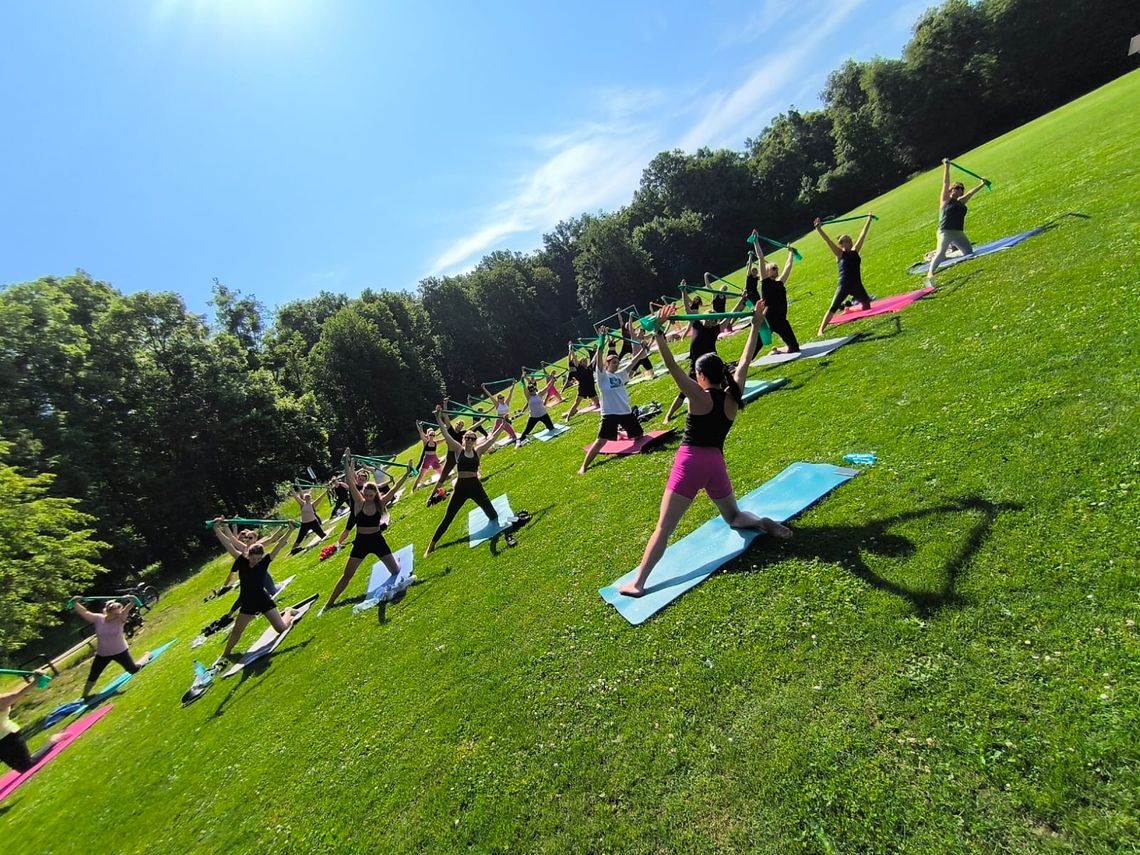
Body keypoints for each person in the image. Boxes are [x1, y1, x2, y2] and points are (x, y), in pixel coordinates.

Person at [619, 303, 793, 597]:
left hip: (690, 463)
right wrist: (755, 324)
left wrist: (659, 333)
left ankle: (638, 584)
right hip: (715, 463)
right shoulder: (732, 395)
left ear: (700, 376)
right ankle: (761, 523)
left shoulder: (699, 397)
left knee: (664, 527)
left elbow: (673, 368)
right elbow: (745, 360)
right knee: (734, 517)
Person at [321, 450, 412, 613]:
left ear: (375, 494)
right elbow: (349, 479)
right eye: (366, 494)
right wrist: (347, 462)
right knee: (347, 575)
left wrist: (406, 473)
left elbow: (394, 489)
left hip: (377, 540)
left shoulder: (380, 503)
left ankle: (395, 561)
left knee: (396, 571)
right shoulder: (358, 502)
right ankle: (329, 603)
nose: (369, 497)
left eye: (371, 495)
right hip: (361, 542)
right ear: (362, 493)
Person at [423, 406, 504, 557]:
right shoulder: (458, 449)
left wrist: (503, 424)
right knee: (448, 517)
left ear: (474, 441)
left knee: (493, 516)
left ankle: (433, 544)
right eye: (467, 437)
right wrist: (437, 418)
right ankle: (431, 545)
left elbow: (492, 438)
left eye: (472, 438)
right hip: (460, 488)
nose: (469, 440)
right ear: (464, 438)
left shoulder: (478, 451)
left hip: (475, 486)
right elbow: (446, 434)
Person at [211, 522, 300, 658]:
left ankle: (288, 611)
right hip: (247, 602)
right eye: (253, 558)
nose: (256, 561)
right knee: (237, 631)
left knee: (281, 629)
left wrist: (290, 530)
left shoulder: (263, 563)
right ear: (249, 556)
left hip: (263, 600)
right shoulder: (242, 561)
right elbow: (228, 544)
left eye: (258, 558)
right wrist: (217, 528)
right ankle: (226, 654)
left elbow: (279, 546)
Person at [578, 331, 648, 475]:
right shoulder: (602, 377)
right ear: (607, 364)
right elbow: (598, 356)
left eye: (617, 362)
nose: (616, 365)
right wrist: (601, 340)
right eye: (614, 362)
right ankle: (584, 466)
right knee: (601, 441)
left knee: (639, 436)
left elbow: (634, 361)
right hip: (610, 414)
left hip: (625, 411)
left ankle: (620, 433)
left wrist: (643, 348)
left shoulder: (621, 375)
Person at [70, 597, 153, 699]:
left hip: (120, 651)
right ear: (108, 612)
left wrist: (132, 600)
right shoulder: (98, 619)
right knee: (93, 675)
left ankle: (147, 656)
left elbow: (128, 607)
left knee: (133, 669)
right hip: (102, 654)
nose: (118, 615)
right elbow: (84, 612)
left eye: (119, 613)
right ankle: (84, 696)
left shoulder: (120, 619)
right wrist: (75, 602)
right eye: (115, 614)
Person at [664, 286, 722, 422]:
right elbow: (687, 309)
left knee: (720, 383)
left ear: (715, 322)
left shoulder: (715, 330)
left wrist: (742, 300)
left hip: (711, 362)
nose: (709, 321)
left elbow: (730, 316)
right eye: (707, 318)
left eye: (712, 320)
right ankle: (668, 415)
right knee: (683, 392)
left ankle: (727, 401)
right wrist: (683, 291)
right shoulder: (697, 324)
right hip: (696, 365)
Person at [926, 159, 989, 282]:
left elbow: (971, 193)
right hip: (945, 231)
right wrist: (947, 167)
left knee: (968, 252)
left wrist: (982, 184)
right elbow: (945, 183)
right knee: (940, 251)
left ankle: (946, 255)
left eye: (961, 188)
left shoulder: (961, 202)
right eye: (956, 188)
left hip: (958, 233)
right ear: (950, 190)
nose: (959, 190)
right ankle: (930, 273)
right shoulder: (945, 200)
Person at [737, 231, 799, 354]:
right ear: (766, 271)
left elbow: (788, 266)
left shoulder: (780, 282)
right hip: (768, 319)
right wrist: (756, 241)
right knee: (755, 347)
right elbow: (761, 258)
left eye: (776, 268)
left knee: (794, 348)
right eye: (773, 268)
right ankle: (739, 365)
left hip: (781, 320)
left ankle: (778, 350)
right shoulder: (765, 282)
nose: (776, 269)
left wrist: (790, 253)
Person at [814, 214, 875, 335]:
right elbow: (827, 241)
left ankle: (852, 309)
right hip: (844, 285)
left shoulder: (855, 250)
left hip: (857, 284)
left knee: (867, 304)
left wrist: (869, 219)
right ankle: (821, 329)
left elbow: (863, 235)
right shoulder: (839, 254)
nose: (848, 242)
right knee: (833, 307)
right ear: (841, 244)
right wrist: (819, 229)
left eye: (849, 240)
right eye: (845, 241)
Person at [1, 670, 65, 772]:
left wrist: (35, 682)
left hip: (8, 737)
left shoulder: (1, 700)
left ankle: (52, 741)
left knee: (27, 766)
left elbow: (18, 694)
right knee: (23, 768)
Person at [288, 487, 328, 554]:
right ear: (304, 498)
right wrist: (292, 490)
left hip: (313, 523)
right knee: (299, 538)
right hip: (304, 524)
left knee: (322, 535)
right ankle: (293, 549)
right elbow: (296, 498)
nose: (307, 499)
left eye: (308, 498)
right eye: (306, 498)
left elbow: (320, 498)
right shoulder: (302, 504)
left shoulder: (313, 504)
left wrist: (326, 491)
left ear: (310, 498)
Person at [517, 373, 556, 441]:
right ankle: (519, 441)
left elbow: (547, 387)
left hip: (544, 415)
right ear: (529, 392)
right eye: (531, 391)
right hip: (533, 417)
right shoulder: (528, 396)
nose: (533, 391)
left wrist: (552, 379)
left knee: (551, 428)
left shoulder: (539, 394)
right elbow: (523, 386)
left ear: (535, 389)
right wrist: (522, 378)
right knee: (526, 431)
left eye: (533, 389)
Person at [564, 346, 600, 419]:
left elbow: (595, 358)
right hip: (583, 389)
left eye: (586, 360)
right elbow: (574, 358)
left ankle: (591, 403)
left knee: (597, 403)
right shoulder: (579, 368)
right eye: (584, 361)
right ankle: (568, 417)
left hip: (591, 388)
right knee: (577, 403)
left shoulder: (590, 367)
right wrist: (571, 349)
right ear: (580, 362)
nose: (586, 362)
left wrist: (598, 349)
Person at [411, 422, 443, 491]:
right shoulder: (426, 441)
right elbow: (421, 432)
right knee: (421, 476)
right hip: (427, 460)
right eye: (430, 435)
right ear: (428, 435)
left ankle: (440, 486)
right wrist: (418, 425)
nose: (432, 436)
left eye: (433, 435)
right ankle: (413, 489)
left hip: (434, 460)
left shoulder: (435, 442)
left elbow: (445, 439)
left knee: (442, 474)